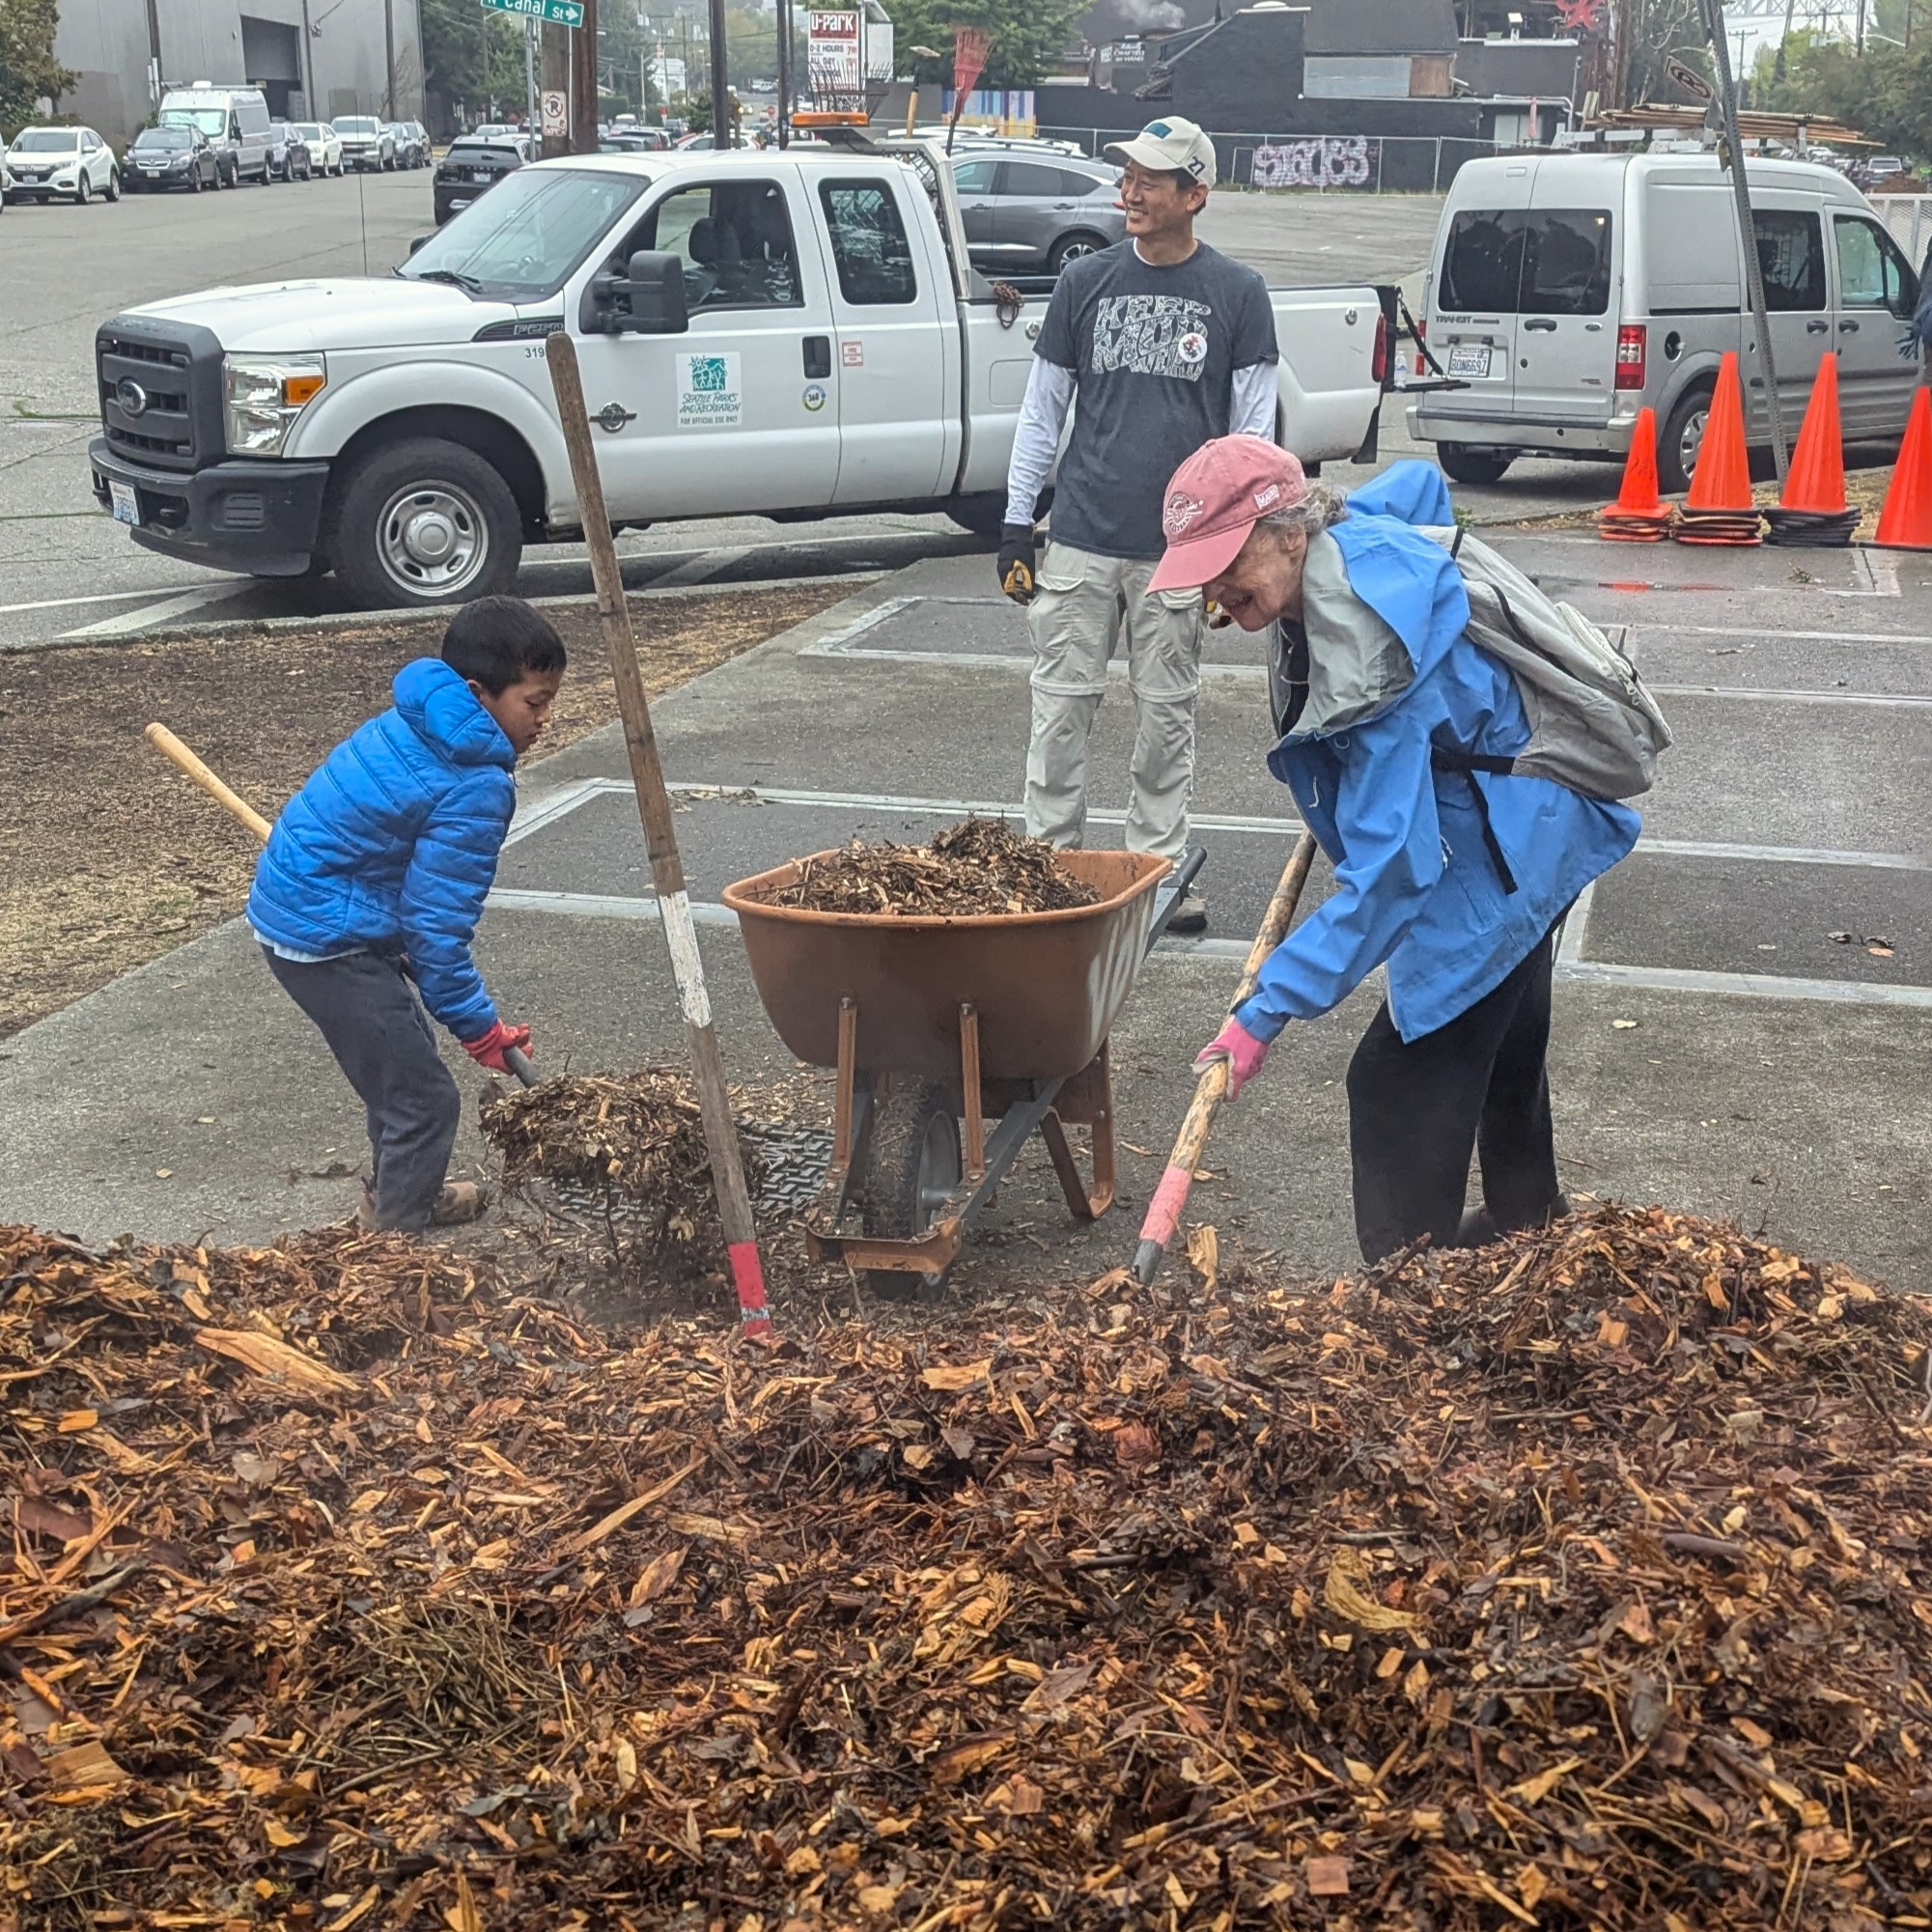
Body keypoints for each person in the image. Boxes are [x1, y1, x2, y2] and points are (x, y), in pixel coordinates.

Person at [1151, 437, 1640, 1262]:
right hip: (1535, 819)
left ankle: (1407, 1304)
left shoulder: (1373, 663)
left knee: (1394, 1080)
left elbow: (1397, 875)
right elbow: (1416, 484)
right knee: (1502, 1037)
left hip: (1497, 853)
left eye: (1224, 560)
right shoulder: (1351, 533)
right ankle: (1532, 1226)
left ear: (1289, 533)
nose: (1212, 589)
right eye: (1198, 568)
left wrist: (1261, 1012)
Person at [998, 116, 1279, 936]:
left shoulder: (1236, 293)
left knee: (1165, 716)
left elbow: (1250, 436)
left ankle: (1158, 876)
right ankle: (1045, 868)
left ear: (1195, 193)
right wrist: (1018, 524)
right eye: (1126, 176)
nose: (1129, 190)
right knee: (1058, 710)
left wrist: (1244, 551)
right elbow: (1041, 412)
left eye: (1150, 179)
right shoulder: (1085, 281)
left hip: (1181, 554)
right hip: (1081, 535)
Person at [247, 597, 566, 1232]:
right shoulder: (475, 783)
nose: (545, 719)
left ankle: (401, 1191)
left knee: (404, 1066)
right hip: (326, 938)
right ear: (478, 693)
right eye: (534, 702)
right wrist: (478, 1027)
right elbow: (436, 931)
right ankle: (389, 1259)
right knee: (422, 1098)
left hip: (312, 907)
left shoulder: (424, 718)